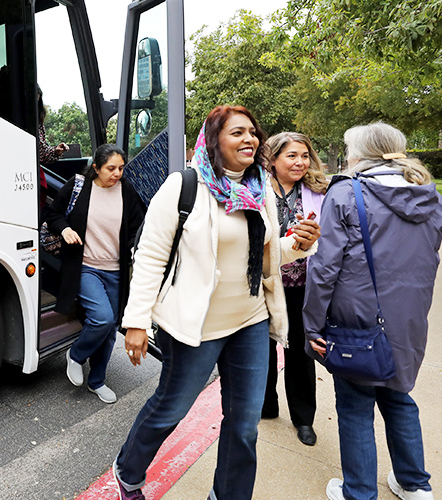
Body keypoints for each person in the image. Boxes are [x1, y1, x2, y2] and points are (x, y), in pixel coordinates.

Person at [113, 105, 321, 500]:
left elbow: (259, 257)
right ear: (214, 140)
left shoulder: (260, 189)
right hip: (196, 326)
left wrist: (297, 245)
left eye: (253, 132)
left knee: (244, 426)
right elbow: (152, 256)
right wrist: (137, 321)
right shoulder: (184, 185)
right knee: (170, 409)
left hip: (251, 321)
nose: (249, 139)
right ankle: (128, 470)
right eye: (237, 132)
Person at [304, 122, 442, 500]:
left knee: (354, 406)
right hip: (410, 317)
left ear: (360, 154)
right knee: (398, 396)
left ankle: (359, 492)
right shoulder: (427, 192)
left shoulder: (347, 192)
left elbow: (324, 268)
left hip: (358, 317)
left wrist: (311, 325)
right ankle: (415, 485)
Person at [42, 144, 145, 404]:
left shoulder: (127, 191)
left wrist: (134, 246)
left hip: (116, 271)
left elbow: (137, 226)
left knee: (110, 329)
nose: (117, 174)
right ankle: (76, 355)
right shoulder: (78, 186)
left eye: (121, 168)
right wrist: (64, 229)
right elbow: (52, 213)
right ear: (96, 168)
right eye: (111, 168)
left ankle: (97, 381)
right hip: (86, 267)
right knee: (101, 318)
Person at [260, 132, 329, 446]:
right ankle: (266, 405)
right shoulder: (256, 188)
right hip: (263, 284)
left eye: (304, 155)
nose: (300, 162)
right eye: (292, 156)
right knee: (262, 351)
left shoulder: (319, 191)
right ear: (273, 159)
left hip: (303, 286)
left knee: (301, 353)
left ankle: (304, 419)